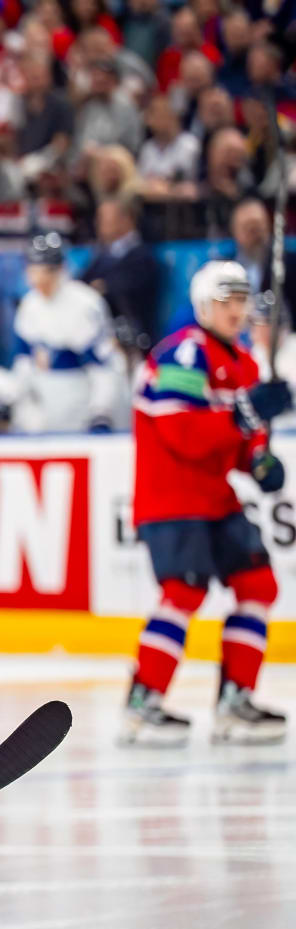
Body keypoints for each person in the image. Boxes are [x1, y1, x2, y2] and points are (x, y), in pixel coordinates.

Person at [123, 260, 291, 746]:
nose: (236, 310)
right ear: (202, 305)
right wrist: (246, 414)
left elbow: (239, 439)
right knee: (184, 592)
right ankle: (141, 703)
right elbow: (184, 435)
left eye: (241, 301)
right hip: (171, 498)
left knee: (257, 583)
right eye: (226, 301)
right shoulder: (182, 356)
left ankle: (235, 701)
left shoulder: (245, 363)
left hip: (215, 499)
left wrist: (259, 460)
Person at [11, 233, 130, 432]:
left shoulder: (84, 304)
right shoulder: (29, 306)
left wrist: (101, 411)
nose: (39, 280)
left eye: (45, 272)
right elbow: (23, 362)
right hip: (43, 408)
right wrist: (16, 400)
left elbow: (105, 366)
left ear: (60, 270)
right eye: (33, 272)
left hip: (79, 405)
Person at [82, 200, 162, 344]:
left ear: (126, 220)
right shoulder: (102, 255)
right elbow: (81, 284)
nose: (98, 224)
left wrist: (103, 287)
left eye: (104, 219)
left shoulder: (142, 256)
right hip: (99, 333)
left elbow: (124, 289)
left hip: (134, 338)